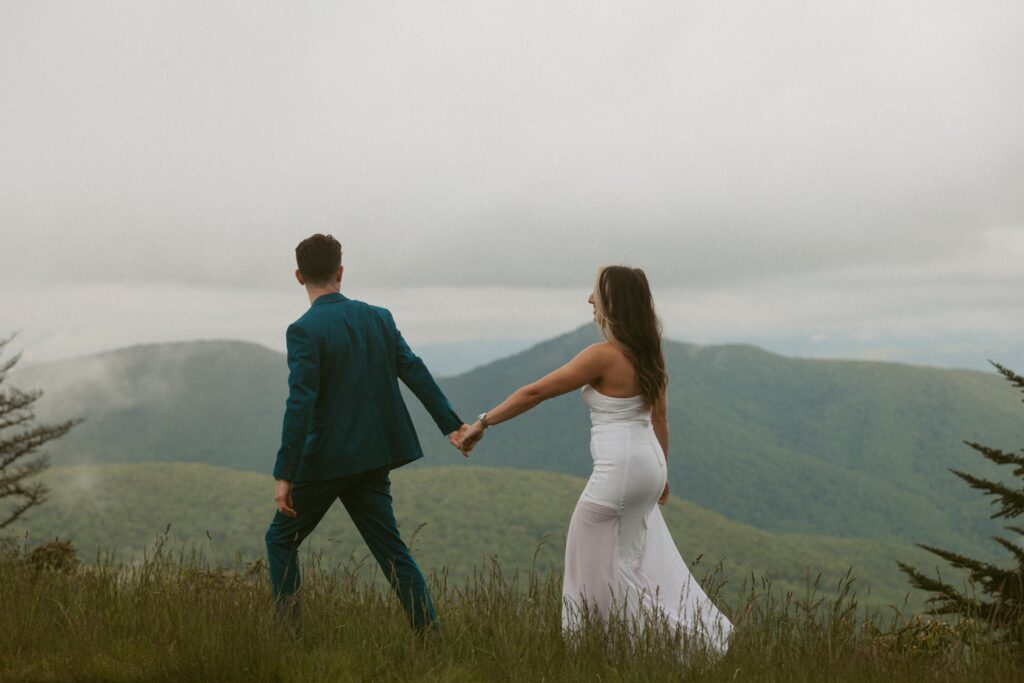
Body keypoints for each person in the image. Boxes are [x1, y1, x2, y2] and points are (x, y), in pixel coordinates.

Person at [459, 265, 732, 653]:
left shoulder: (603, 356)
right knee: (625, 564)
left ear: (613, 303)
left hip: (619, 474)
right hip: (648, 467)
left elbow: (536, 392)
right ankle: (650, 644)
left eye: (595, 293)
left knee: (588, 568)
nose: (590, 300)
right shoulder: (649, 354)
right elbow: (660, 418)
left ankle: (613, 648)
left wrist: (482, 422)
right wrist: (662, 473)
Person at [264, 233, 468, 634]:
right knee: (393, 553)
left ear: (298, 275)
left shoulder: (303, 330)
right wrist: (453, 425)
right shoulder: (379, 317)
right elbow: (414, 369)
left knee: (280, 540)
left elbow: (301, 403)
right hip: (374, 457)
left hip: (325, 462)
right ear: (341, 271)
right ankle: (431, 635)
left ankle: (287, 634)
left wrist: (284, 472)